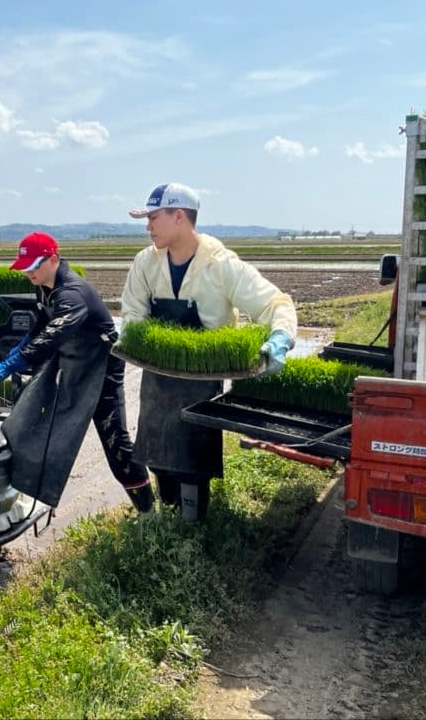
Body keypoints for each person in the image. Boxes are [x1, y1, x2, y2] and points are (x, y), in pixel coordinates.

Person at [120, 182, 297, 521]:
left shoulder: (221, 265)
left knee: (192, 455)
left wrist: (280, 338)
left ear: (179, 217)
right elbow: (132, 313)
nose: (148, 226)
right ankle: (168, 513)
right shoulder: (146, 262)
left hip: (201, 382)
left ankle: (194, 520)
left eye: (154, 217)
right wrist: (133, 336)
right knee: (157, 452)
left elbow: (275, 302)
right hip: (156, 380)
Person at [0, 232, 154, 512]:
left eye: (34, 265)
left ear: (53, 259)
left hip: (102, 369)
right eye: (24, 267)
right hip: (74, 365)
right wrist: (19, 348)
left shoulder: (72, 292)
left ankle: (149, 511)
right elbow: (42, 323)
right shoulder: (46, 286)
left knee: (115, 442)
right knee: (35, 424)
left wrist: (15, 362)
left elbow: (55, 332)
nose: (28, 272)